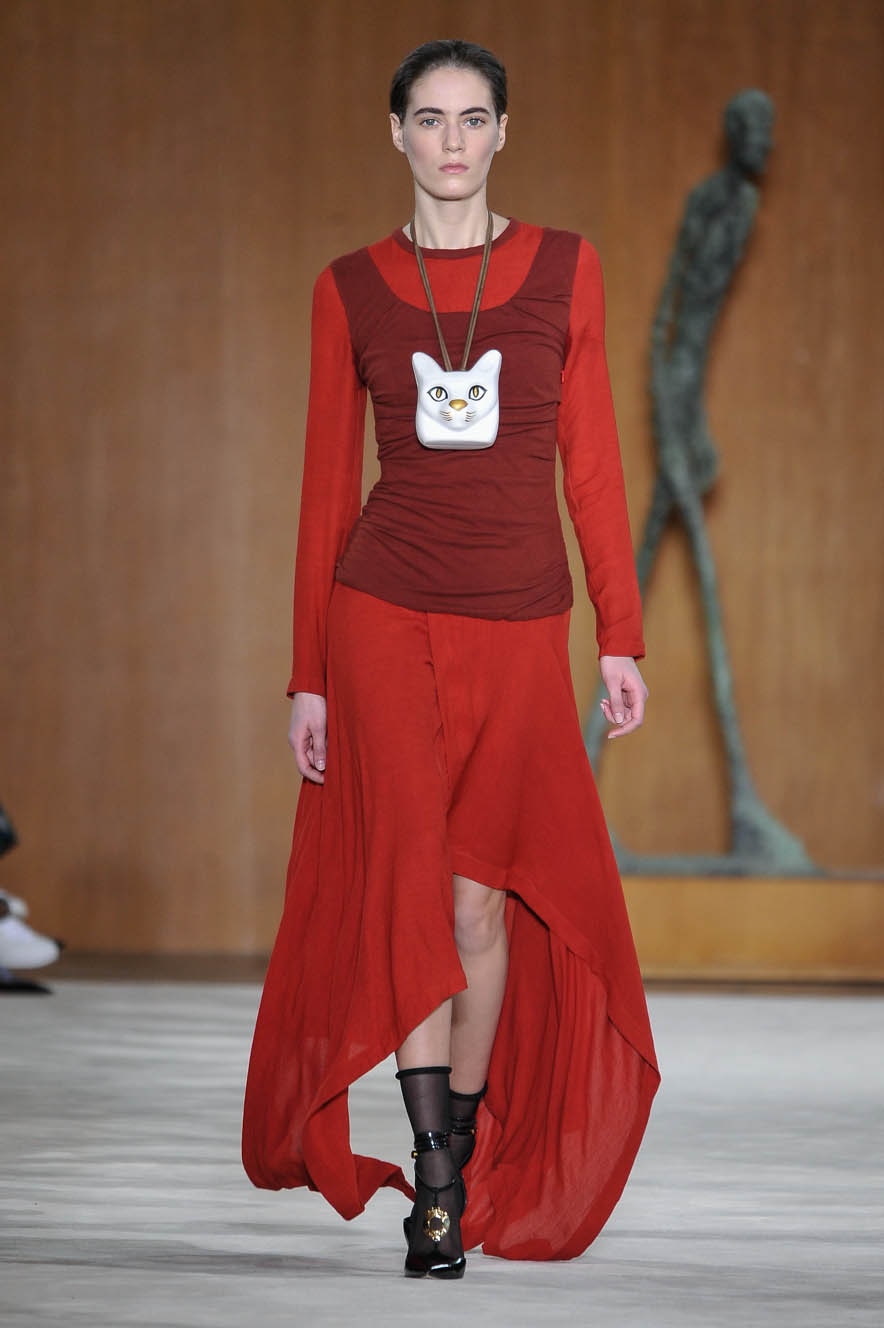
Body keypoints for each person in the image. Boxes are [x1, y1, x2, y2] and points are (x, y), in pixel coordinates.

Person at [242, 39, 659, 1278]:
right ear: (397, 134)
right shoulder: (348, 287)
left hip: (519, 622)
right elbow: (326, 489)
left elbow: (591, 461)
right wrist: (307, 672)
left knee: (481, 900)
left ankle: (458, 1146)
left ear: (501, 131)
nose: (452, 141)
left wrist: (620, 632)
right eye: (429, 119)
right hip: (382, 615)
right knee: (415, 893)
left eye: (472, 119)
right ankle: (434, 1184)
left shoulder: (567, 269)